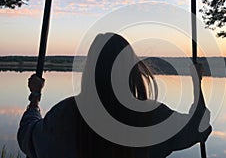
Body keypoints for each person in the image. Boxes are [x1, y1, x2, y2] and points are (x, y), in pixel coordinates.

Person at [17, 33, 212, 158]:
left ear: (91, 69)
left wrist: (35, 96)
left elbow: (28, 138)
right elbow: (199, 128)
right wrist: (196, 83)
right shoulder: (153, 117)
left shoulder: (65, 114)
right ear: (131, 69)